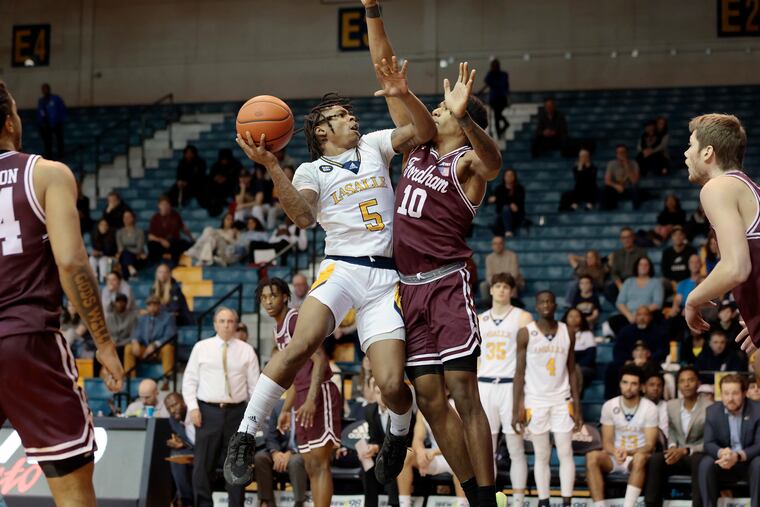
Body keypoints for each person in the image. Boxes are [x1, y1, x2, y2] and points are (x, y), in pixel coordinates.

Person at [224, 33, 435, 490]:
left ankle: (398, 433)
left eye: (350, 113)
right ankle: (245, 433)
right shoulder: (309, 171)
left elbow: (423, 132)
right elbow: (301, 217)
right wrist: (271, 166)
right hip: (341, 267)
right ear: (322, 131)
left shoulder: (375, 145)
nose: (352, 118)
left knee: (393, 384)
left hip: (384, 278)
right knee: (298, 346)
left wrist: (402, 92)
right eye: (342, 116)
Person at [365, 8, 506, 506]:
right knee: (429, 398)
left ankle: (488, 498)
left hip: (448, 283)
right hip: (410, 289)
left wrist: (466, 116)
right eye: (444, 109)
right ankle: (471, 494)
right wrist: (372, 11)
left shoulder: (466, 161)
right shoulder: (416, 149)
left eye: (446, 111)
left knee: (463, 391)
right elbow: (385, 68)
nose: (438, 111)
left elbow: (494, 164)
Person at [1, 81, 123, 507]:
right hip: (26, 340)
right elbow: (71, 262)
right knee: (72, 492)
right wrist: (104, 343)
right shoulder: (45, 173)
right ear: (9, 120)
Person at [680, 114, 760, 355]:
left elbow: (736, 267)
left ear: (707, 152)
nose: (686, 153)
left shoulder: (717, 186)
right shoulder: (750, 187)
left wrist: (692, 299)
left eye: (691, 145)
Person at [257, 279, 338, 507]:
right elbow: (291, 375)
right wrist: (285, 409)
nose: (268, 301)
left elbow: (320, 359)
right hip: (301, 395)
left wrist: (312, 400)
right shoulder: (277, 331)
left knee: (320, 463)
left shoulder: (294, 321)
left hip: (319, 391)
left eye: (272, 295)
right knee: (310, 464)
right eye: (263, 298)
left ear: (284, 296)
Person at [183, 307, 260, 507]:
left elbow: (255, 387)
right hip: (207, 411)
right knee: (202, 466)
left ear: (236, 324)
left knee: (237, 465)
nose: (226, 325)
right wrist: (192, 407)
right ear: (215, 324)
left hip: (237, 413)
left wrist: (252, 418)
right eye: (222, 321)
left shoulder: (247, 350)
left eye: (230, 321)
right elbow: (189, 381)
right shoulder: (201, 347)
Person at [513, 291, 582, 507]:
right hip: (535, 401)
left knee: (565, 452)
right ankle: (544, 501)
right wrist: (518, 406)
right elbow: (519, 373)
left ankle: (567, 500)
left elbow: (572, 371)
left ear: (555, 305)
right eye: (542, 301)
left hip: (562, 400)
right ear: (536, 305)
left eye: (550, 301)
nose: (546, 304)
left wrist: (577, 407)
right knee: (542, 454)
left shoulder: (567, 331)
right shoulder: (526, 333)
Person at [477, 273, 532, 507]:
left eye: (505, 287)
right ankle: (489, 500)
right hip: (484, 385)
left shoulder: (523, 317)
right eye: (497, 286)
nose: (501, 290)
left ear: (511, 291)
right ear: (490, 290)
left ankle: (518, 501)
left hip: (511, 385)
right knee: (485, 449)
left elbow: (530, 356)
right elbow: (475, 357)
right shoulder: (479, 319)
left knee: (515, 447)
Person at [585, 364, 658, 507]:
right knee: (592, 456)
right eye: (625, 382)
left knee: (640, 458)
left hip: (637, 458)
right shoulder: (609, 406)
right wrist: (615, 452)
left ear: (641, 387)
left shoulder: (650, 408)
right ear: (620, 384)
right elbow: (606, 443)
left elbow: (650, 445)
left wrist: (628, 452)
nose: (628, 387)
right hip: (615, 457)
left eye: (633, 383)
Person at [644, 366, 709, 507]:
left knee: (699, 460)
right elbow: (672, 432)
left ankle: (698, 504)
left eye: (690, 380)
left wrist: (686, 450)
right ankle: (651, 504)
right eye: (682, 381)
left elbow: (710, 441)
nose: (686, 384)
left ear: (698, 383)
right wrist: (673, 447)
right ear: (678, 385)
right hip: (677, 456)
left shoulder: (709, 406)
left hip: (697, 455)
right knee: (656, 459)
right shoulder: (671, 405)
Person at [698, 374, 760, 506]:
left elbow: (759, 444)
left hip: (748, 462)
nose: (730, 398)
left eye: (735, 393)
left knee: (759, 463)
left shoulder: (757, 410)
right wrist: (722, 453)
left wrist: (737, 456)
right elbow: (708, 444)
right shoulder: (712, 411)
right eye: (726, 393)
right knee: (705, 463)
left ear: (744, 393)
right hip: (724, 462)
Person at [361, 377, 415, 507]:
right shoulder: (369, 411)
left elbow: (407, 441)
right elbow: (373, 438)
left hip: (403, 449)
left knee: (389, 460)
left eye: (384, 393)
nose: (382, 397)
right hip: (381, 449)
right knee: (366, 460)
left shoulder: (403, 410)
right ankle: (370, 503)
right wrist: (372, 448)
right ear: (374, 394)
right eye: (378, 393)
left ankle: (394, 503)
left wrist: (379, 448)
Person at [412, 401, 468, 507]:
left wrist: (435, 452)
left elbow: (460, 442)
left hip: (456, 455)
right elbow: (417, 439)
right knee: (407, 455)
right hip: (435, 458)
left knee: (460, 460)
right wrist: (420, 453)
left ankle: (462, 504)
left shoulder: (457, 405)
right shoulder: (423, 409)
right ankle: (404, 503)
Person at [254, 399, 307, 507]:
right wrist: (275, 453)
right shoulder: (278, 406)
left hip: (301, 450)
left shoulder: (307, 407)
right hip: (281, 450)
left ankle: (299, 502)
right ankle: (268, 501)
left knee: (295, 461)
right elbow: (271, 436)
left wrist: (291, 452)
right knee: (260, 458)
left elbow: (310, 438)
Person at [124, 295, 177, 377]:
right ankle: (130, 379)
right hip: (145, 350)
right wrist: (135, 342)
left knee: (168, 348)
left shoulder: (168, 317)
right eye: (149, 305)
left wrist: (155, 345)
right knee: (129, 348)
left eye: (154, 305)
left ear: (159, 305)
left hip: (159, 351)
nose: (152, 307)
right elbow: (137, 333)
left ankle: (167, 378)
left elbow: (170, 336)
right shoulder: (143, 319)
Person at [164, 393, 195, 507]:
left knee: (176, 457)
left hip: (206, 450)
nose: (172, 410)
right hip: (190, 451)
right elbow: (185, 440)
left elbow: (200, 441)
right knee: (174, 456)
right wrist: (180, 443)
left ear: (184, 402)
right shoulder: (173, 420)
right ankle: (179, 499)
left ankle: (186, 501)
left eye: (174, 405)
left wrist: (184, 444)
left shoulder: (194, 414)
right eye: (168, 408)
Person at [147, 195, 194, 265]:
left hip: (173, 243)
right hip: (160, 243)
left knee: (184, 244)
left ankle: (174, 263)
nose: (164, 206)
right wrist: (162, 240)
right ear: (159, 206)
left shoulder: (175, 215)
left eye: (166, 204)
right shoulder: (155, 218)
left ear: (169, 205)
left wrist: (192, 238)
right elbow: (150, 236)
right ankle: (157, 264)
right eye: (162, 204)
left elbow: (183, 228)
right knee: (151, 245)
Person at [604, 227, 647, 303]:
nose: (626, 240)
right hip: (621, 281)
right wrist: (619, 285)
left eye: (628, 237)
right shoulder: (617, 253)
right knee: (609, 289)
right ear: (621, 239)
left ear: (633, 238)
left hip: (636, 281)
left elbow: (644, 269)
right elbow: (614, 272)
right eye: (623, 237)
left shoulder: (641, 252)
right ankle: (621, 307)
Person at [479, 236, 524, 303]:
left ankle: (512, 305)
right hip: (495, 282)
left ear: (504, 244)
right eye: (495, 244)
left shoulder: (512, 256)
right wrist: (497, 284)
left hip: (511, 281)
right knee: (483, 285)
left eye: (500, 243)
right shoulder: (489, 258)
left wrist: (502, 283)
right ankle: (487, 305)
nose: (498, 246)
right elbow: (488, 276)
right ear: (492, 246)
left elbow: (514, 274)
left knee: (511, 285)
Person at [601, 145, 641, 211]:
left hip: (628, 189)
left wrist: (626, 164)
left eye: (623, 152)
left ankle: (636, 210)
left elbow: (634, 181)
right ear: (616, 154)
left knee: (636, 189)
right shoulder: (611, 164)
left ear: (627, 153)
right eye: (619, 152)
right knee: (604, 189)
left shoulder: (634, 164)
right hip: (616, 189)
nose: (621, 154)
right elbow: (607, 180)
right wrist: (616, 186)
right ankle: (605, 210)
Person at [488, 169, 525, 237]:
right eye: (507, 175)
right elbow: (496, 203)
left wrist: (498, 199)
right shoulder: (499, 189)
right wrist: (509, 204)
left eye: (511, 175)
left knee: (506, 209)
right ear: (504, 177)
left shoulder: (519, 189)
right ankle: (506, 232)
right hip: (501, 214)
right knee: (503, 212)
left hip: (516, 214)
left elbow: (518, 206)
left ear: (514, 177)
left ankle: (508, 231)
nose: (509, 177)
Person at [478, 59, 510, 139]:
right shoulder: (490, 75)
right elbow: (486, 85)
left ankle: (503, 128)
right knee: (497, 117)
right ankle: (499, 133)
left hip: (501, 98)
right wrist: (479, 93)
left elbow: (506, 87)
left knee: (498, 116)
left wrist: (508, 98)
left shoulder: (504, 74)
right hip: (494, 99)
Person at [37, 83, 67, 160]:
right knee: (48, 143)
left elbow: (62, 109)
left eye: (45, 89)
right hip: (46, 126)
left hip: (57, 124)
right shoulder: (41, 101)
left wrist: (61, 120)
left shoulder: (56, 98)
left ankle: (61, 157)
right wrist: (42, 124)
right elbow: (40, 113)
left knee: (59, 141)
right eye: (43, 89)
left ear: (49, 89)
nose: (44, 91)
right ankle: (49, 158)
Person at [104, 293, 138, 359]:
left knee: (119, 351)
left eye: (123, 302)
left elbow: (133, 336)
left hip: (124, 344)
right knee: (97, 354)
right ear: (115, 303)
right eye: (118, 301)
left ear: (126, 303)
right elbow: (106, 334)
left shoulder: (132, 317)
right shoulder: (110, 317)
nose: (120, 304)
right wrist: (110, 342)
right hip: (111, 344)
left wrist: (119, 344)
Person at [116, 209, 147, 279]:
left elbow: (139, 249)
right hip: (125, 256)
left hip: (137, 258)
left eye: (128, 217)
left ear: (133, 218)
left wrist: (126, 249)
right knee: (124, 254)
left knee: (125, 256)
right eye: (124, 217)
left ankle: (128, 271)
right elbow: (120, 248)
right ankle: (130, 268)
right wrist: (127, 250)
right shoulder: (119, 232)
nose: (126, 219)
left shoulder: (139, 232)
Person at [89, 218, 117, 283]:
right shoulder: (95, 236)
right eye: (101, 225)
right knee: (91, 259)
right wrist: (96, 253)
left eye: (105, 225)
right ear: (98, 226)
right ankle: (94, 278)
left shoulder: (112, 236)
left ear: (108, 227)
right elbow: (95, 249)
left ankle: (103, 280)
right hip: (99, 257)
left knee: (103, 260)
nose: (103, 227)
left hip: (111, 258)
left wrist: (100, 253)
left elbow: (111, 251)